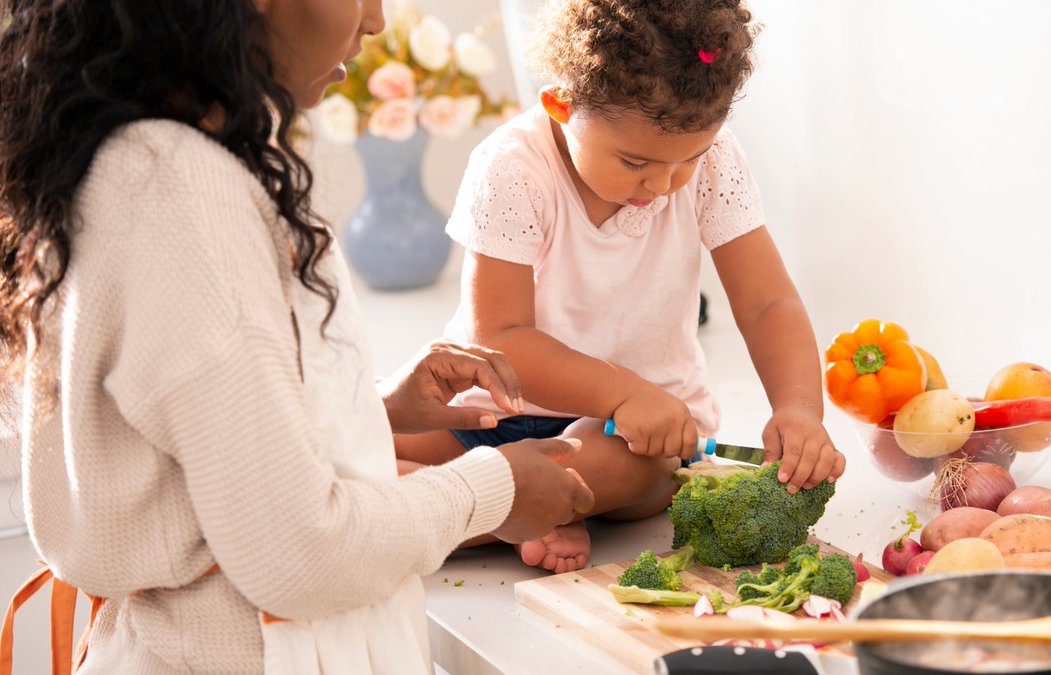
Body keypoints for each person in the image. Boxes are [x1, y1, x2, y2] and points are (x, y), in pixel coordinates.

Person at [0, 0, 593, 673]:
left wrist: (369, 410)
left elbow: (177, 447)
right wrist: (494, 490)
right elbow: (299, 551)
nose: (375, 21)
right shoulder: (179, 192)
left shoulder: (131, 158)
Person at [392, 0, 846, 575]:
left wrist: (799, 409)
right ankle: (521, 509)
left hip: (640, 438)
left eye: (687, 160)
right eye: (634, 162)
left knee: (639, 470)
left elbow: (767, 302)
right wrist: (621, 391)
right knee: (360, 458)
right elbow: (501, 337)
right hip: (496, 415)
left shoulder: (712, 164)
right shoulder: (510, 168)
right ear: (561, 106)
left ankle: (492, 509)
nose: (661, 184)